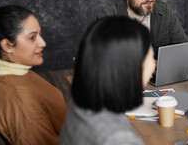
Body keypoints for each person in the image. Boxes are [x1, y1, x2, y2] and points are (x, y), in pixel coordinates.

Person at [58, 16, 156, 145]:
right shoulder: (118, 138)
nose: (154, 64)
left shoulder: (81, 102)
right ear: (131, 67)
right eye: (151, 57)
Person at [0, 5, 67, 144]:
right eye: (32, 38)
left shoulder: (18, 71)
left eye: (39, 34)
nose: (43, 43)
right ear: (7, 46)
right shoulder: (20, 102)